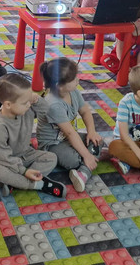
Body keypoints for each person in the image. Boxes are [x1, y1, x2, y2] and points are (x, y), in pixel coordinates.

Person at [0, 74, 66, 198]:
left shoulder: (25, 109)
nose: (28, 105)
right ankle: (37, 184)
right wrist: (25, 171)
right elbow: (2, 157)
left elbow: (46, 111)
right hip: (1, 160)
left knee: (51, 158)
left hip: (25, 153)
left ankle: (14, 182)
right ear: (8, 104)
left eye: (29, 100)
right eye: (25, 102)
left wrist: (36, 100)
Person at [35, 58, 102, 192]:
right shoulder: (53, 104)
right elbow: (70, 133)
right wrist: (87, 155)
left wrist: (91, 131)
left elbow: (85, 111)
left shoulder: (73, 91)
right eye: (73, 78)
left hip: (69, 137)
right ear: (59, 85)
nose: (78, 79)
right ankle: (89, 162)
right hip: (52, 144)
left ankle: (83, 172)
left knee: (97, 140)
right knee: (74, 160)